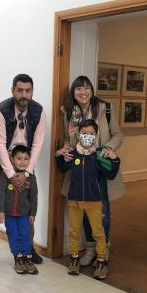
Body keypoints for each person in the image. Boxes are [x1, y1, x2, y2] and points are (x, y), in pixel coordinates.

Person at [56, 75, 124, 266]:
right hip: (79, 167)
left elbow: (118, 134)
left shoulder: (105, 108)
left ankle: (104, 249)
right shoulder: (68, 111)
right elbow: (68, 139)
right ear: (73, 92)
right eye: (79, 88)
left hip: (99, 165)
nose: (83, 92)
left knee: (102, 211)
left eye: (87, 88)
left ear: (92, 91)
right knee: (83, 208)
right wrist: (66, 150)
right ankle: (90, 249)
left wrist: (104, 151)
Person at [0, 73, 46, 268]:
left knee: (26, 204)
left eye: (28, 91)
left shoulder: (39, 111)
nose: (24, 95)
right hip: (1, 161)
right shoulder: (0, 111)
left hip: (26, 162)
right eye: (20, 91)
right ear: (13, 91)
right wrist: (11, 175)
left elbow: (37, 144)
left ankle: (28, 249)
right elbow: (0, 145)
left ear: (32, 92)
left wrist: (26, 173)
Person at [55, 119, 120, 280]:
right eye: (84, 133)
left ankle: (101, 261)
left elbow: (110, 175)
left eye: (91, 133)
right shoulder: (73, 153)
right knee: (74, 231)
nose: (87, 136)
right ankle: (75, 258)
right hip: (74, 200)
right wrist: (59, 155)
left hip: (94, 201)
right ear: (78, 135)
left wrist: (114, 159)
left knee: (99, 233)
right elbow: (63, 168)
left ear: (96, 135)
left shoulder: (99, 155)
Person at [0, 145, 38, 275]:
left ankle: (28, 258)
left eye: (26, 159)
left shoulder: (30, 177)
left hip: (24, 214)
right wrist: (0, 211)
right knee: (13, 235)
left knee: (25, 235)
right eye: (19, 158)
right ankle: (18, 258)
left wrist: (32, 213)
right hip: (9, 214)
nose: (22, 162)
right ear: (12, 159)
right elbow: (0, 193)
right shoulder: (6, 175)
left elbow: (33, 196)